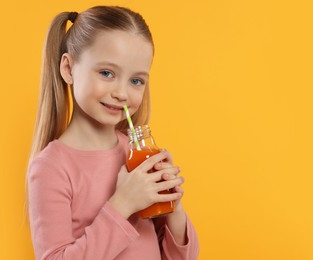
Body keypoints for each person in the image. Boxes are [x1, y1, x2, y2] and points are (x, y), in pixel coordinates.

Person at [27, 5, 199, 260]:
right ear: (68, 69)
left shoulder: (136, 154)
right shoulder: (51, 167)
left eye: (136, 81)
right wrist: (123, 205)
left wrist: (173, 207)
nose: (122, 93)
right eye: (107, 73)